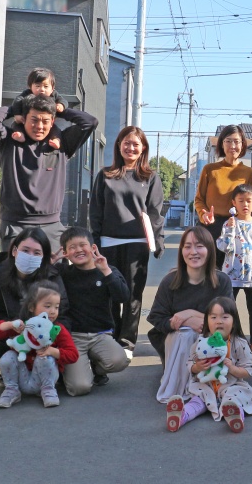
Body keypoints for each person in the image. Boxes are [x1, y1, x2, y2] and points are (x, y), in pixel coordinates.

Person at [0, 93, 98, 253]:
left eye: (45, 121)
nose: (39, 126)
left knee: (54, 268)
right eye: (34, 120)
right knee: (14, 268)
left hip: (51, 226)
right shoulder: (8, 140)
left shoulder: (61, 143)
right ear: (24, 119)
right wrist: (16, 109)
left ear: (53, 121)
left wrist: (60, 109)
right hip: (15, 225)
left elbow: (90, 122)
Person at [90, 125, 164, 357]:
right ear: (119, 145)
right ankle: (110, 337)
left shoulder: (150, 177)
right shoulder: (105, 175)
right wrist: (94, 241)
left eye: (135, 144)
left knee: (133, 295)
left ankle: (126, 342)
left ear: (143, 148)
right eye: (126, 143)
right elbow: (96, 210)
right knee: (109, 293)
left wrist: (158, 240)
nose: (131, 148)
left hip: (137, 244)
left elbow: (155, 212)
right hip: (108, 243)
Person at [147, 227, 233, 402]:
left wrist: (191, 314)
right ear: (181, 251)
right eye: (187, 247)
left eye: (199, 246)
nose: (193, 252)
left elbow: (229, 320)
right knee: (186, 334)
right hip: (176, 341)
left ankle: (204, 385)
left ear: (210, 250)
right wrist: (185, 323)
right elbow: (157, 318)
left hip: (213, 341)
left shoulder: (222, 281)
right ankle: (180, 387)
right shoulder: (170, 281)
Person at [56, 227, 131, 396]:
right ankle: (76, 371)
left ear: (93, 247)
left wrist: (106, 271)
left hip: (101, 334)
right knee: (79, 387)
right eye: (72, 247)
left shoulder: (108, 270)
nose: (78, 250)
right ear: (65, 253)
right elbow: (40, 284)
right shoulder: (63, 272)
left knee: (119, 360)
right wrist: (49, 264)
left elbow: (123, 297)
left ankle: (97, 368)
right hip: (73, 337)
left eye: (82, 245)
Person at [165, 297, 252, 433]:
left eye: (225, 317)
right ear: (207, 321)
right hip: (205, 385)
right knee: (197, 401)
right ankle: (182, 415)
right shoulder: (201, 342)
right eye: (213, 317)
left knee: (235, 397)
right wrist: (197, 367)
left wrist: (232, 368)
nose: (219, 321)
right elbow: (190, 363)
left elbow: (247, 371)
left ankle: (235, 414)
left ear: (234, 321)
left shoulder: (239, 343)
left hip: (231, 385)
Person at [0, 281, 78, 408]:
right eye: (47, 306)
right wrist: (9, 325)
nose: (52, 311)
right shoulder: (23, 326)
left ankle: (48, 391)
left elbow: (73, 355)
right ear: (31, 307)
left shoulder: (56, 329)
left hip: (43, 379)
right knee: (8, 356)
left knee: (46, 357)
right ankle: (11, 390)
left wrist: (53, 351)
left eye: (56, 307)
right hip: (21, 377)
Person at [0, 228, 68, 366]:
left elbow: (63, 312)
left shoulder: (51, 277)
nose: (30, 256)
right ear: (14, 250)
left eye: (37, 253)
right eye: (25, 250)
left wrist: (49, 336)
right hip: (12, 335)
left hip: (43, 337)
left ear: (44, 256)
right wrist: (13, 327)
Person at [216, 184, 252, 358]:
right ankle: (231, 341)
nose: (245, 204)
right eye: (240, 201)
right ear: (234, 203)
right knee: (228, 310)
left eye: (248, 201)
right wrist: (230, 230)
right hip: (230, 275)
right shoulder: (228, 224)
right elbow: (224, 247)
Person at [194, 124, 252, 267]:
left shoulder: (249, 173)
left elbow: (250, 203)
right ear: (222, 144)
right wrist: (204, 214)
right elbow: (199, 199)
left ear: (243, 144)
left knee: (232, 273)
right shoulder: (210, 170)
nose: (232, 146)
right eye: (228, 141)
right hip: (210, 227)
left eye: (236, 141)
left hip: (236, 228)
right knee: (207, 272)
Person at [7, 67, 66, 149]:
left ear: (52, 88)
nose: (42, 89)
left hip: (48, 126)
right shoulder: (27, 94)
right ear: (30, 86)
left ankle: (56, 140)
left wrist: (61, 105)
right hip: (24, 122)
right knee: (16, 124)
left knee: (55, 129)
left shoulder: (54, 95)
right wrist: (16, 114)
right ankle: (20, 134)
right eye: (38, 86)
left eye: (46, 86)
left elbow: (63, 100)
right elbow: (17, 101)